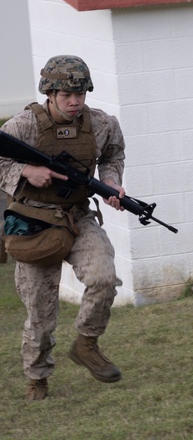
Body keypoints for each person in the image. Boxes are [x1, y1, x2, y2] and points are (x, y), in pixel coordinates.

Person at [1, 55, 127, 400]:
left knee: (103, 277)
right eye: (66, 95)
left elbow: (113, 155)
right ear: (50, 93)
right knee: (41, 316)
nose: (75, 102)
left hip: (77, 216)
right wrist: (26, 172)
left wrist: (112, 183)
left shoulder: (102, 124)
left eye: (81, 94)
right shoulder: (23, 126)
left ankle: (86, 344)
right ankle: (37, 379)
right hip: (34, 221)